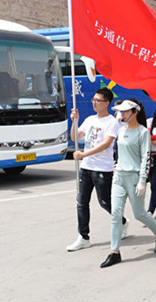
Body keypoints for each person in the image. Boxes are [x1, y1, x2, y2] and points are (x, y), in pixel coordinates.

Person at [100, 99, 156, 268]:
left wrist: (142, 181)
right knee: (116, 214)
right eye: (120, 111)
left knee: (139, 214)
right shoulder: (120, 130)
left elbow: (145, 157)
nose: (121, 114)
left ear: (134, 112)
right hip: (119, 176)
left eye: (125, 111)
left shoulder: (143, 132)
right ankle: (114, 252)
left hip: (134, 177)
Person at [66, 88, 128, 252]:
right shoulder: (89, 119)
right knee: (81, 201)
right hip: (86, 167)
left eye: (98, 100)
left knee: (104, 202)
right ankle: (83, 237)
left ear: (107, 103)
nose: (94, 103)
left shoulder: (112, 122)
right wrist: (75, 121)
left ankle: (122, 221)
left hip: (102, 168)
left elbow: (106, 144)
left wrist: (83, 154)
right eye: (93, 100)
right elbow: (75, 137)